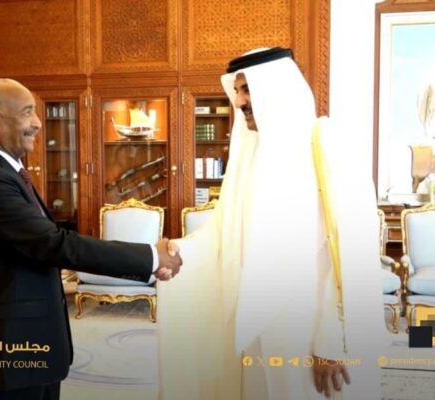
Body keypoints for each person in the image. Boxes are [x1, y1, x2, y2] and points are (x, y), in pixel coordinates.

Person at [157, 48, 385, 399]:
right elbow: (224, 228)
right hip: (256, 318)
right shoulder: (250, 154)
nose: (240, 102)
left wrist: (331, 341)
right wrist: (180, 250)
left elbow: (353, 249)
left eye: (247, 89)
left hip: (307, 327)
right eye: (237, 91)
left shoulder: (327, 145)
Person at [0, 78, 182, 400]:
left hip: (26, 344)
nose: (38, 123)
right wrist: (151, 257)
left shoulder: (4, 170)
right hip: (7, 353)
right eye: (27, 112)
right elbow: (53, 243)